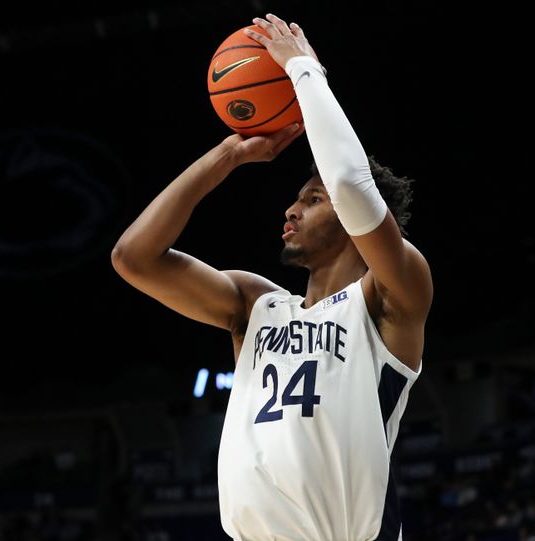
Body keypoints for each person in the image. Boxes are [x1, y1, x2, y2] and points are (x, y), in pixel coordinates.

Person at [111, 13, 433, 541]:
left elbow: (351, 183)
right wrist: (226, 156)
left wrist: (304, 71)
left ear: (358, 225)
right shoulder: (256, 305)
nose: (290, 211)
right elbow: (134, 258)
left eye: (311, 199)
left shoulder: (390, 294)